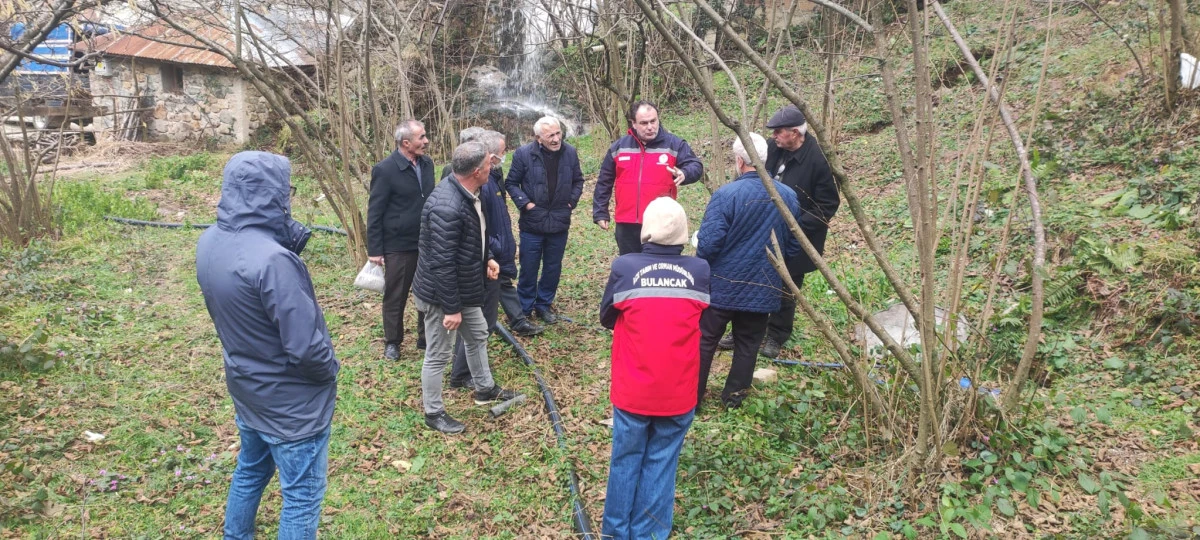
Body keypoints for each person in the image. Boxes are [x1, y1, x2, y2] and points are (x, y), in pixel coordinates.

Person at [196, 151, 339, 539]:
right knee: (301, 496)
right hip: (291, 404)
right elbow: (307, 347)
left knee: (250, 468)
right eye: (285, 190)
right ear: (272, 194)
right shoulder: (274, 261)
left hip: (246, 386)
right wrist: (330, 373)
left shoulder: (209, 241)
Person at [599, 197, 710, 539]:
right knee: (661, 464)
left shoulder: (625, 267)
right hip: (678, 390)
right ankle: (649, 534)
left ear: (646, 229)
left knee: (625, 461)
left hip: (633, 388)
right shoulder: (700, 270)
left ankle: (616, 534)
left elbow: (607, 317)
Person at [413, 141, 519, 434]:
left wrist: (487, 259)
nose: (492, 167)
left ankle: (485, 388)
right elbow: (442, 264)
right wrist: (451, 309)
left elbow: (472, 238)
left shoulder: (471, 192)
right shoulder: (446, 207)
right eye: (489, 164)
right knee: (438, 354)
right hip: (442, 295)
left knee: (478, 335)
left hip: (466, 285)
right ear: (476, 171)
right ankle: (433, 413)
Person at [696, 133, 802, 409]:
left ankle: (691, 397)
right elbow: (792, 248)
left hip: (722, 286)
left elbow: (708, 245)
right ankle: (734, 398)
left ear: (739, 161)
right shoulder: (788, 197)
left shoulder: (726, 195)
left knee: (705, 340)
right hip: (763, 286)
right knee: (748, 343)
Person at [447, 129, 544, 391]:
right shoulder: (480, 185)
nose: (505, 156)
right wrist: (492, 252)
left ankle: (466, 369)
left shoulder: (493, 179)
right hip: (487, 261)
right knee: (479, 323)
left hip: (494, 258)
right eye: (501, 153)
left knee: (484, 321)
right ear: (488, 157)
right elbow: (479, 228)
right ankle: (461, 373)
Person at [757, 105, 840, 358]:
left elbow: (827, 205)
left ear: (795, 133)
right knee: (759, 280)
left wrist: (795, 227)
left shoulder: (819, 159)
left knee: (787, 285)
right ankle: (751, 329)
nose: (773, 136)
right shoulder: (774, 149)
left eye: (778, 132)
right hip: (766, 229)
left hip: (797, 236)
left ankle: (776, 335)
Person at [593, 100, 704, 255]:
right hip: (627, 223)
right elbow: (604, 181)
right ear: (634, 123)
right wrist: (600, 211)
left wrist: (685, 173)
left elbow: (696, 166)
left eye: (653, 121)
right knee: (631, 270)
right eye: (644, 123)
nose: (650, 127)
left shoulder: (674, 144)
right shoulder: (619, 147)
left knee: (658, 271)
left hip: (662, 222)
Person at [504, 116, 585, 324]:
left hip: (559, 220)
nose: (556, 139)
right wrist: (526, 204)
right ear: (538, 138)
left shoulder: (570, 153)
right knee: (529, 266)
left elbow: (578, 180)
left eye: (558, 133)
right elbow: (511, 183)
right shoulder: (523, 154)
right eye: (551, 135)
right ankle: (524, 307)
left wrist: (571, 202)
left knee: (552, 267)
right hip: (532, 222)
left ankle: (544, 305)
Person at [367, 120, 434, 359]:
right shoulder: (385, 169)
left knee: (427, 292)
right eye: (422, 137)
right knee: (396, 295)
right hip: (398, 245)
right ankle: (392, 342)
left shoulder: (427, 164)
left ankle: (425, 338)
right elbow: (375, 211)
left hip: (426, 241)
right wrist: (375, 250)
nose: (426, 141)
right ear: (406, 143)